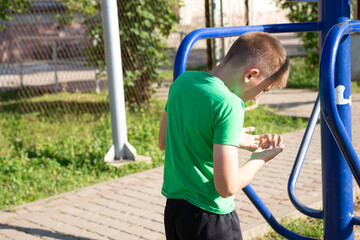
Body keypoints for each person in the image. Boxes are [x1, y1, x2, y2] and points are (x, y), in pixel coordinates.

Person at [158, 31, 290, 240]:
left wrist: (231, 138)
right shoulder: (229, 105)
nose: (257, 97)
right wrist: (259, 159)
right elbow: (227, 186)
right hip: (210, 217)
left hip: (175, 210)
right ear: (251, 75)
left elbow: (164, 141)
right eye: (263, 89)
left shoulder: (183, 82)